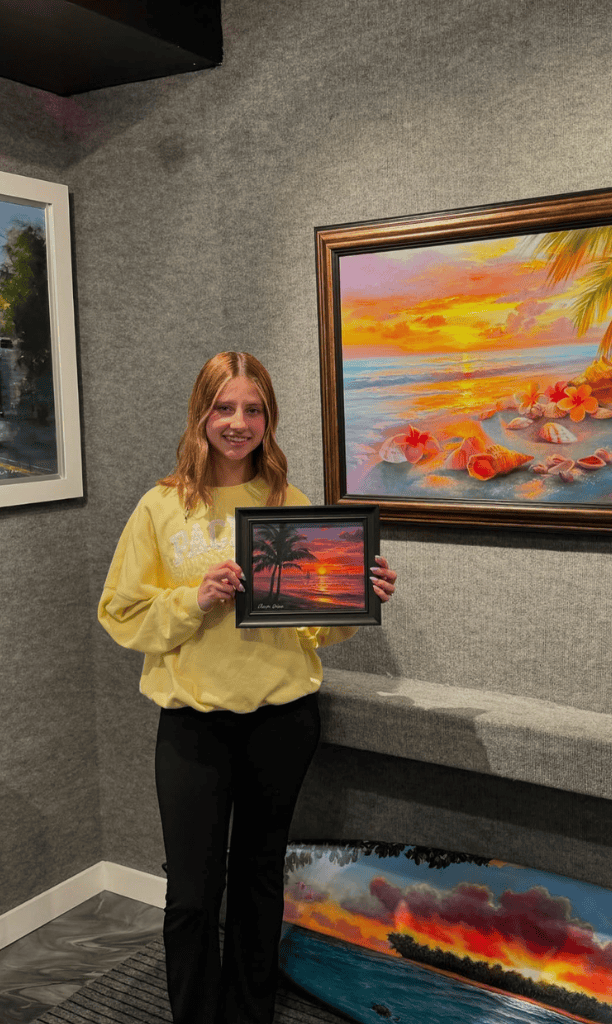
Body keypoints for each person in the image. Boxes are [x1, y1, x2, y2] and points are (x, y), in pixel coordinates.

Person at [97, 351, 396, 1024]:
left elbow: (316, 634)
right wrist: (193, 600)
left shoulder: (288, 504)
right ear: (201, 413)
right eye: (224, 407)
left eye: (252, 409)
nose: (238, 423)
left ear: (269, 417)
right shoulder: (161, 506)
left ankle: (251, 1013)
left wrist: (358, 599)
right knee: (194, 894)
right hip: (193, 727)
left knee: (260, 883)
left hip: (282, 720)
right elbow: (119, 614)